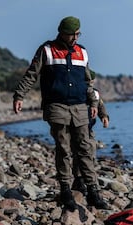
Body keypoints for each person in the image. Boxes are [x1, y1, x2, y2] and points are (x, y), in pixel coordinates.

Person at [12, 16, 108, 211]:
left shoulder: (83, 52)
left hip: (80, 107)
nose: (76, 38)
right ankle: (65, 190)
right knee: (63, 149)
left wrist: (94, 103)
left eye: (78, 34)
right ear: (63, 32)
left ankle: (93, 191)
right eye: (73, 34)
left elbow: (88, 81)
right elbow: (32, 74)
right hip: (57, 107)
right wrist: (19, 95)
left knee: (85, 150)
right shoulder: (46, 50)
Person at [72, 88, 110, 195]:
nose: (91, 83)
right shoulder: (78, 88)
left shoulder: (95, 93)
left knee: (91, 151)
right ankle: (79, 180)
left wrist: (104, 117)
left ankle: (89, 180)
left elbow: (100, 105)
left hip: (89, 129)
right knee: (78, 153)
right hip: (77, 127)